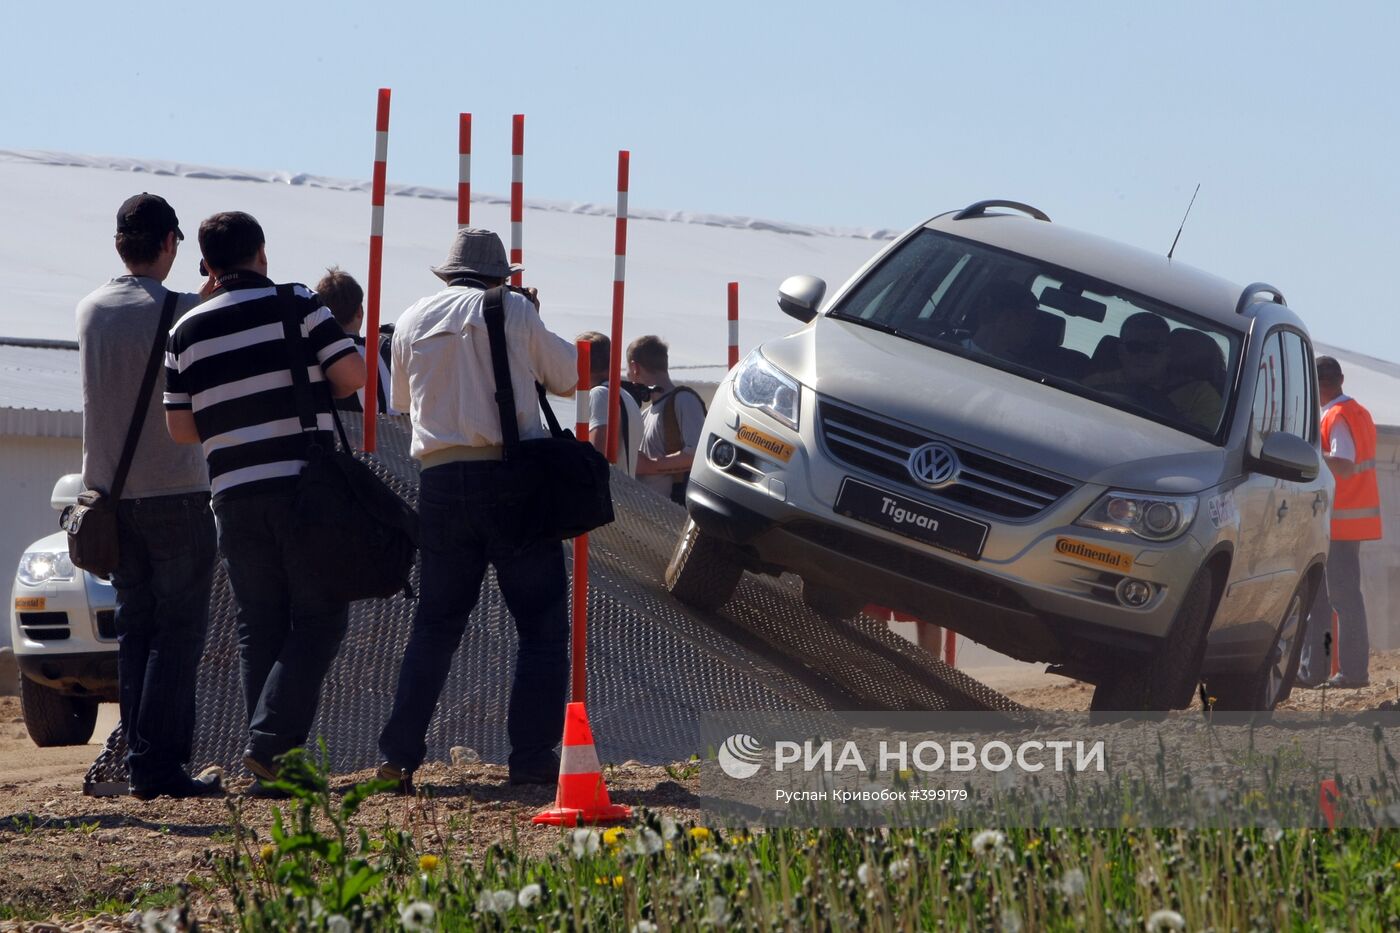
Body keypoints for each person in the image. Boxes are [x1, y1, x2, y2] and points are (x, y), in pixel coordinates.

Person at [163, 211, 365, 788]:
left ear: (208, 263)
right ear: (262, 252)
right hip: (303, 485)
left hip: (231, 493)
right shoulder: (298, 302)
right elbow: (350, 376)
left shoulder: (188, 329)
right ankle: (271, 743)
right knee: (322, 616)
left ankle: (275, 773)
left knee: (261, 626)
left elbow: (180, 429)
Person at [376, 227, 578, 792]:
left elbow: (401, 405)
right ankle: (532, 758)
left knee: (435, 627)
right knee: (540, 627)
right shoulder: (513, 310)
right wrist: (533, 317)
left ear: (448, 273)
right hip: (511, 479)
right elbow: (568, 375)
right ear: (502, 276)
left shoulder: (413, 317)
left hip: (440, 481)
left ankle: (398, 755)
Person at [75, 194, 220, 800]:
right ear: (168, 245)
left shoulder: (89, 310)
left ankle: (136, 756)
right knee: (177, 634)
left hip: (109, 500)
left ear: (117, 244)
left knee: (136, 631)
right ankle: (159, 768)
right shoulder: (184, 312)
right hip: (179, 495)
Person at [1298, 355, 1383, 688]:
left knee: (1342, 600)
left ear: (1316, 385)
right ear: (1341, 378)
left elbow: (1344, 464)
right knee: (1323, 598)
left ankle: (1350, 673)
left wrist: (1311, 456)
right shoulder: (1357, 413)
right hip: (1344, 523)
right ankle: (1313, 670)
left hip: (1339, 523)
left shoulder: (1335, 416)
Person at [629, 335, 706, 504]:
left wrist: (650, 465)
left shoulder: (684, 400)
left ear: (635, 368)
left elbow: (698, 456)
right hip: (650, 515)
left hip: (675, 515)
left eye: (628, 371)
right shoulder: (644, 414)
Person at [316, 265, 398, 416]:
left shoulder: (319, 358)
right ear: (360, 312)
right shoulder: (385, 350)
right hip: (394, 436)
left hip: (346, 436)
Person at [576, 331, 643, 477]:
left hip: (608, 495)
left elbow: (595, 457)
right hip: (621, 494)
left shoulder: (600, 394)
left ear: (581, 362)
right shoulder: (624, 396)